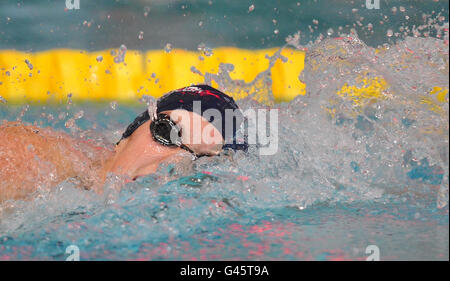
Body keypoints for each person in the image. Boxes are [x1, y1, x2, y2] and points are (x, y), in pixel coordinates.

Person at [0, 85, 247, 203]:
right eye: (167, 132)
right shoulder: (31, 158)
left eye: (198, 159)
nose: (170, 162)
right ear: (130, 132)